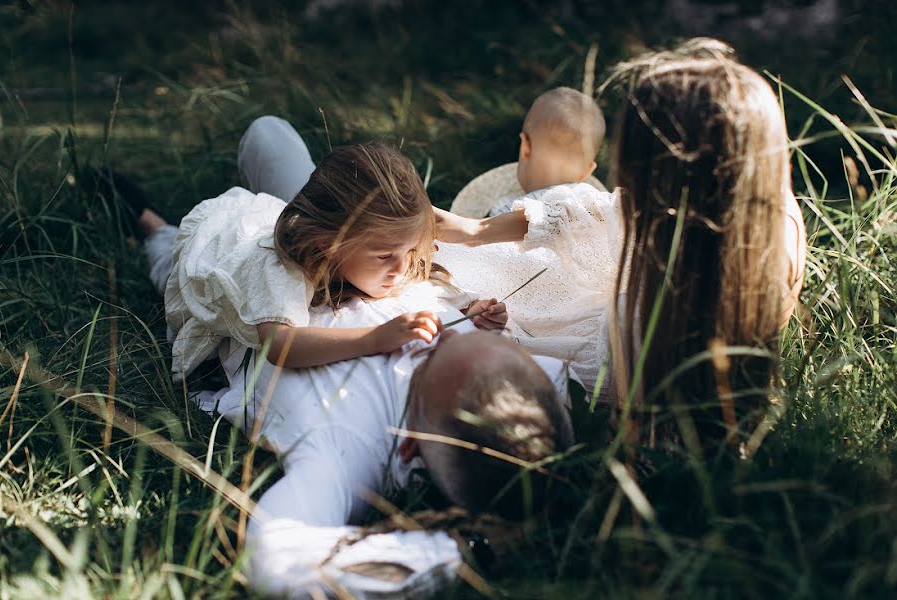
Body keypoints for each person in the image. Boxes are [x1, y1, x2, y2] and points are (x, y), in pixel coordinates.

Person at [125, 116, 575, 597]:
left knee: (182, 258)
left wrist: (464, 551)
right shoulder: (518, 387)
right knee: (267, 133)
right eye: (459, 338)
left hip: (240, 285)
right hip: (331, 252)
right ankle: (315, 201)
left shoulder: (347, 445)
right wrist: (471, 314)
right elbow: (554, 376)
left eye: (437, 351)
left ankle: (149, 225)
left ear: (409, 444)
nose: (438, 336)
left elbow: (277, 561)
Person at [437, 39, 807, 446]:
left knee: (465, 292)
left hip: (599, 341)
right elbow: (591, 215)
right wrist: (475, 231)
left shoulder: (645, 335)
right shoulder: (767, 222)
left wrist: (474, 235)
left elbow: (593, 216)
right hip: (626, 334)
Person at [160, 130, 507, 380]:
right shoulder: (282, 268)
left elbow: (423, 284)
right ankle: (149, 224)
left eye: (411, 250)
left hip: (265, 219)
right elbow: (280, 345)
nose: (402, 268)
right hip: (209, 255)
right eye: (385, 256)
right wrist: (374, 338)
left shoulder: (384, 253)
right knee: (161, 256)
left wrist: (467, 313)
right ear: (330, 245)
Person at [431, 87, 616, 391]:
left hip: (526, 319)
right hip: (591, 327)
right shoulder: (592, 208)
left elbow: (491, 260)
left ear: (524, 146)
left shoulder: (503, 214)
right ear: (588, 170)